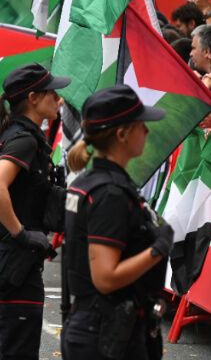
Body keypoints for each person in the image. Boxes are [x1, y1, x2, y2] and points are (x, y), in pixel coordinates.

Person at [0, 63, 69, 360]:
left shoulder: (8, 135)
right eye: (53, 93)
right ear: (34, 98)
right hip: (13, 261)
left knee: (1, 350)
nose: (58, 100)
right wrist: (19, 232)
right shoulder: (23, 139)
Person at [60, 85, 173, 360]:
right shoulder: (109, 193)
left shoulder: (89, 182)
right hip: (106, 330)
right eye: (140, 125)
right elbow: (106, 278)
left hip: (98, 324)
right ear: (122, 134)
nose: (146, 131)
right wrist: (158, 248)